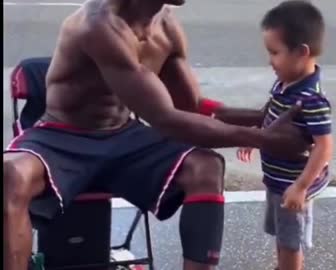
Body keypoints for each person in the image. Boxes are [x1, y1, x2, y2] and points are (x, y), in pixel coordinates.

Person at [2, 0, 309, 269]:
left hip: (123, 135)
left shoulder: (167, 27)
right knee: (11, 175)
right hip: (61, 136)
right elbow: (167, 120)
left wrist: (268, 117)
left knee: (206, 166)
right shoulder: (98, 25)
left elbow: (191, 106)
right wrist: (266, 139)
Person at [236, 1, 333, 269]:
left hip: (292, 184)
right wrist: (258, 136)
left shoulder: (311, 99)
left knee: (291, 241)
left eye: (275, 52)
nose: (270, 60)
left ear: (301, 52)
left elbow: (324, 147)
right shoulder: (285, 82)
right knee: (281, 234)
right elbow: (273, 116)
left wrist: (301, 187)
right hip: (278, 181)